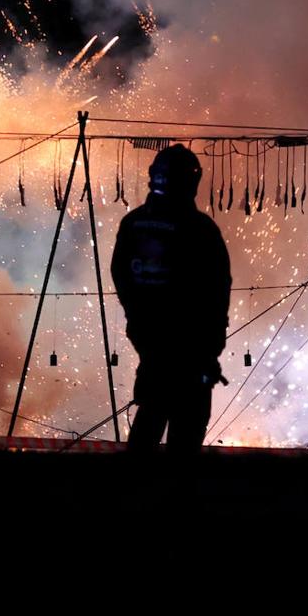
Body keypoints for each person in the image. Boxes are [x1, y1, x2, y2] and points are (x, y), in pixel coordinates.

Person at [111, 143, 232, 452]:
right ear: (192, 181)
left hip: (150, 345)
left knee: (149, 421)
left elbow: (122, 277)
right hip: (191, 352)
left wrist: (139, 325)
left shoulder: (133, 224)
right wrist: (211, 349)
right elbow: (217, 293)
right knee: (186, 438)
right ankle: (175, 498)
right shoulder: (200, 229)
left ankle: (132, 496)